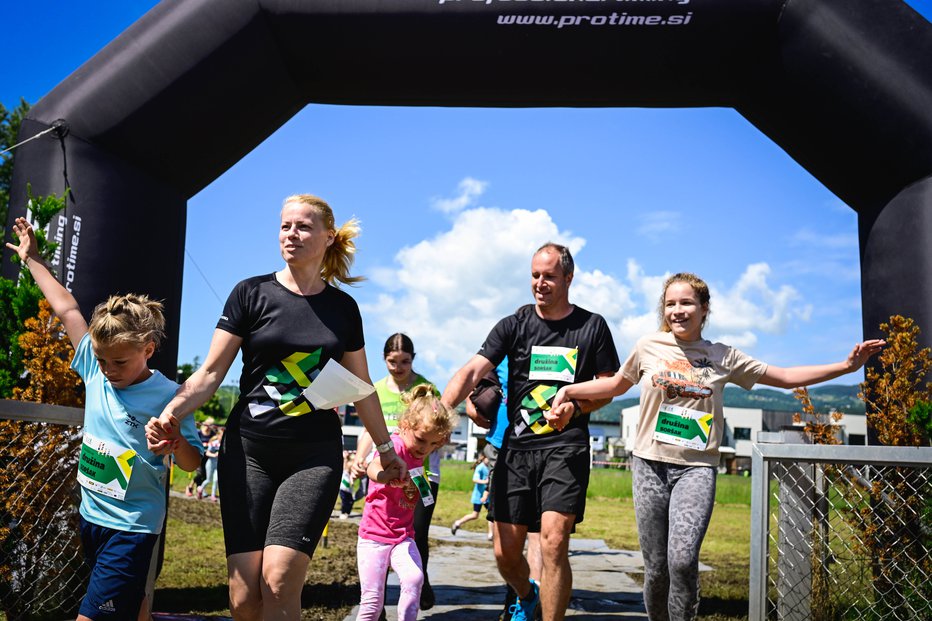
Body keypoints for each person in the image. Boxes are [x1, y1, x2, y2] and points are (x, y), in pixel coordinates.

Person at [549, 272, 885, 621]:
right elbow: (617, 385)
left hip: (695, 470)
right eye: (670, 304)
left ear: (704, 308)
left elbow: (784, 378)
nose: (677, 311)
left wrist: (847, 366)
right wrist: (568, 391)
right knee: (657, 568)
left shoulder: (723, 356)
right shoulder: (648, 345)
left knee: (682, 560)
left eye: (686, 303)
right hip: (649, 466)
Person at [145, 194, 406, 621]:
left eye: (303, 226)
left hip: (312, 458)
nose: (292, 234)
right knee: (245, 596)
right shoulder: (251, 293)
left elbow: (362, 389)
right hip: (248, 454)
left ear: (327, 237)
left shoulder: (343, 309)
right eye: (285, 226)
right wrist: (172, 411)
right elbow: (209, 374)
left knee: (280, 579)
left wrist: (387, 450)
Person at [6, 217, 202, 621]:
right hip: (91, 516)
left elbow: (192, 464)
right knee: (133, 607)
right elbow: (67, 308)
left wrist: (175, 444)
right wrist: (33, 259)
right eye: (101, 360)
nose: (108, 370)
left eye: (120, 362)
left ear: (148, 349)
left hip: (132, 525)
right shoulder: (94, 370)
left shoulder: (170, 395)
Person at [441, 243, 620, 621]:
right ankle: (527, 594)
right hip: (516, 450)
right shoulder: (514, 324)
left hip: (565, 447)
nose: (540, 283)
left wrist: (577, 405)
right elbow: (472, 371)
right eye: (535, 275)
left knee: (554, 542)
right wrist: (442, 412)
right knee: (505, 554)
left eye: (549, 276)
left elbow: (611, 385)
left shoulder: (592, 326)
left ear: (568, 278)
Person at [354, 333, 443, 610]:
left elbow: (440, 428)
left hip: (422, 475)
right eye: (393, 361)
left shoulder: (426, 388)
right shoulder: (377, 388)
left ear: (413, 360)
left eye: (405, 361)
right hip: (387, 470)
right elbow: (371, 426)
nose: (398, 367)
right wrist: (359, 457)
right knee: (380, 534)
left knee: (416, 530)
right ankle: (375, 602)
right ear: (384, 359)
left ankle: (420, 581)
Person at [356, 384, 458, 621]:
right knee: (372, 602)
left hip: (402, 536)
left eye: (434, 445)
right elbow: (373, 467)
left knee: (415, 578)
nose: (426, 449)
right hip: (374, 537)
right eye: (423, 440)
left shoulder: (417, 453)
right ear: (404, 426)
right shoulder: (395, 446)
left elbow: (418, 488)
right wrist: (384, 477)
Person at [450, 454, 492, 539]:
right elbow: (474, 479)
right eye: (488, 458)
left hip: (487, 496)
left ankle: (491, 535)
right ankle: (458, 523)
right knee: (475, 515)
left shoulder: (490, 467)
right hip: (479, 496)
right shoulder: (480, 467)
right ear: (484, 458)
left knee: (491, 515)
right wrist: (486, 482)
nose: (490, 460)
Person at [187, 417, 215, 497]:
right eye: (208, 424)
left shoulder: (212, 433)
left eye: (211, 425)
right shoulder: (199, 432)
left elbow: (215, 440)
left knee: (205, 475)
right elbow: (194, 441)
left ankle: (197, 489)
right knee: (200, 473)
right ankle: (190, 486)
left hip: (207, 457)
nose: (209, 426)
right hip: (198, 456)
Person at [197, 426, 223, 502]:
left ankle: (213, 495)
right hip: (210, 463)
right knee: (208, 480)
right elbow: (207, 453)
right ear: (218, 436)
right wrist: (214, 455)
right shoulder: (213, 443)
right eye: (222, 436)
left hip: (217, 464)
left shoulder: (224, 444)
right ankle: (200, 489)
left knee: (216, 480)